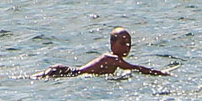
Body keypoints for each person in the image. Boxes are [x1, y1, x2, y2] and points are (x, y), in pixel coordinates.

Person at [40, 28, 169, 78]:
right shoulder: (111, 58)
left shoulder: (114, 60)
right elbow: (136, 68)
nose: (127, 48)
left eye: (129, 44)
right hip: (66, 72)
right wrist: (160, 73)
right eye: (123, 44)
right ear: (112, 44)